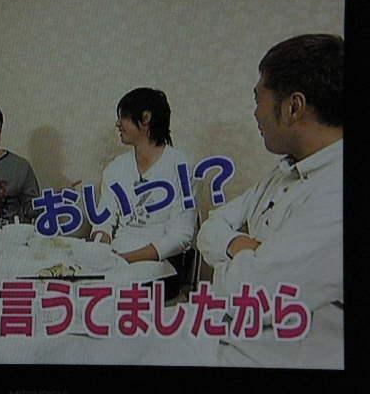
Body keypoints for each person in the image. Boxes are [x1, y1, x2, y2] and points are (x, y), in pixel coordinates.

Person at [196, 34, 343, 368]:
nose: (255, 114)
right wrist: (242, 246)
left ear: (293, 107)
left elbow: (248, 295)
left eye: (257, 100)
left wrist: (238, 264)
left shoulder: (336, 192)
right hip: (224, 337)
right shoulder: (282, 173)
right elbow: (210, 227)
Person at [88, 88, 196, 267]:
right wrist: (98, 249)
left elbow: (181, 235)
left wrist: (125, 259)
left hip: (160, 263)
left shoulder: (181, 165)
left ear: (146, 118)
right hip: (115, 260)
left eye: (123, 116)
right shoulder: (115, 169)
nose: (118, 123)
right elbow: (103, 223)